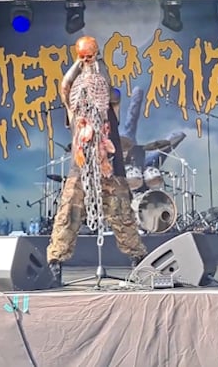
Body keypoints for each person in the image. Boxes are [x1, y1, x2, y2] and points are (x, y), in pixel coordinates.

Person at [46, 36, 147, 285]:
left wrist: (95, 62)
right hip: (80, 170)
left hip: (110, 168)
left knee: (122, 215)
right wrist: (80, 62)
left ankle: (139, 260)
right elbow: (65, 86)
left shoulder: (110, 101)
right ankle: (55, 264)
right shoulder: (74, 108)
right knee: (68, 214)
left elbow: (107, 84)